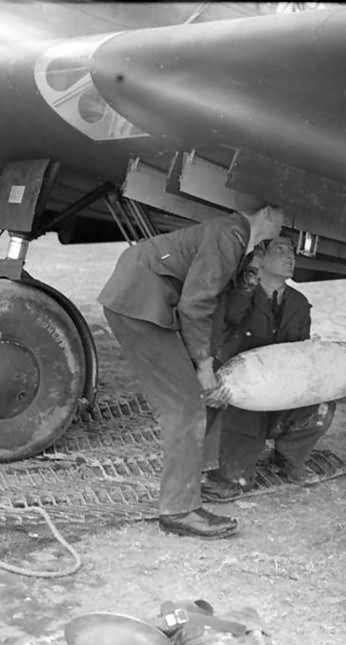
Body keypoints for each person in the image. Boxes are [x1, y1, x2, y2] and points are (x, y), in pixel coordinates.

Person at [98, 192, 284, 538]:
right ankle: (179, 510)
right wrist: (202, 365)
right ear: (269, 211)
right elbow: (196, 304)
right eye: (284, 215)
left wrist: (209, 364)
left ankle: (189, 493)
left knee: (191, 402)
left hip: (144, 299)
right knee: (183, 408)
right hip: (141, 301)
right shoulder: (230, 235)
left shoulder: (238, 243)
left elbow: (212, 312)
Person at [202, 235, 336, 499]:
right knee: (236, 482)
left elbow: (300, 356)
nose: (291, 257)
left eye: (292, 252)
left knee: (323, 406)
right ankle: (230, 463)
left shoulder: (298, 303)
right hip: (238, 399)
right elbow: (228, 321)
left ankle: (286, 458)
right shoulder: (238, 295)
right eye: (281, 250)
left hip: (279, 394)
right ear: (260, 258)